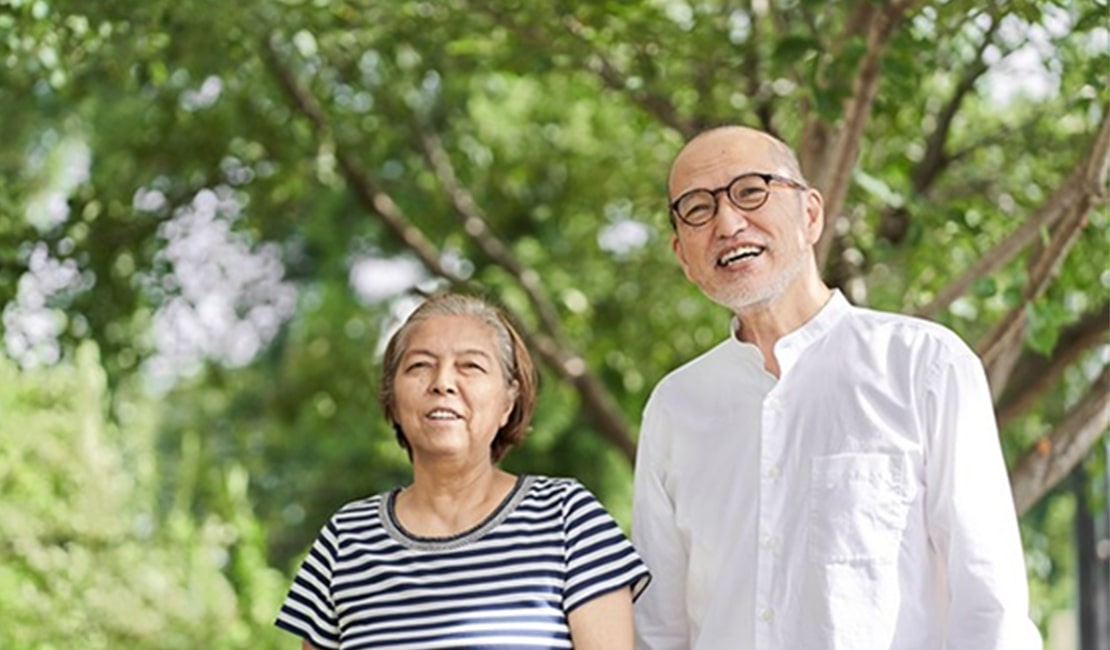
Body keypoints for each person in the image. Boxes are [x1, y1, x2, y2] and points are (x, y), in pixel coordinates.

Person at [631, 125, 1042, 649]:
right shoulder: (674, 407)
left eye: (751, 191)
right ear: (682, 255)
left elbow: (991, 610)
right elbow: (659, 630)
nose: (729, 222)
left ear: (810, 215)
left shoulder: (925, 367)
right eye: (697, 209)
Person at [276, 292, 651, 649]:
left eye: (470, 366)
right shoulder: (346, 539)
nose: (442, 383)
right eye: (420, 366)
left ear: (508, 400)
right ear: (392, 397)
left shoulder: (568, 518)